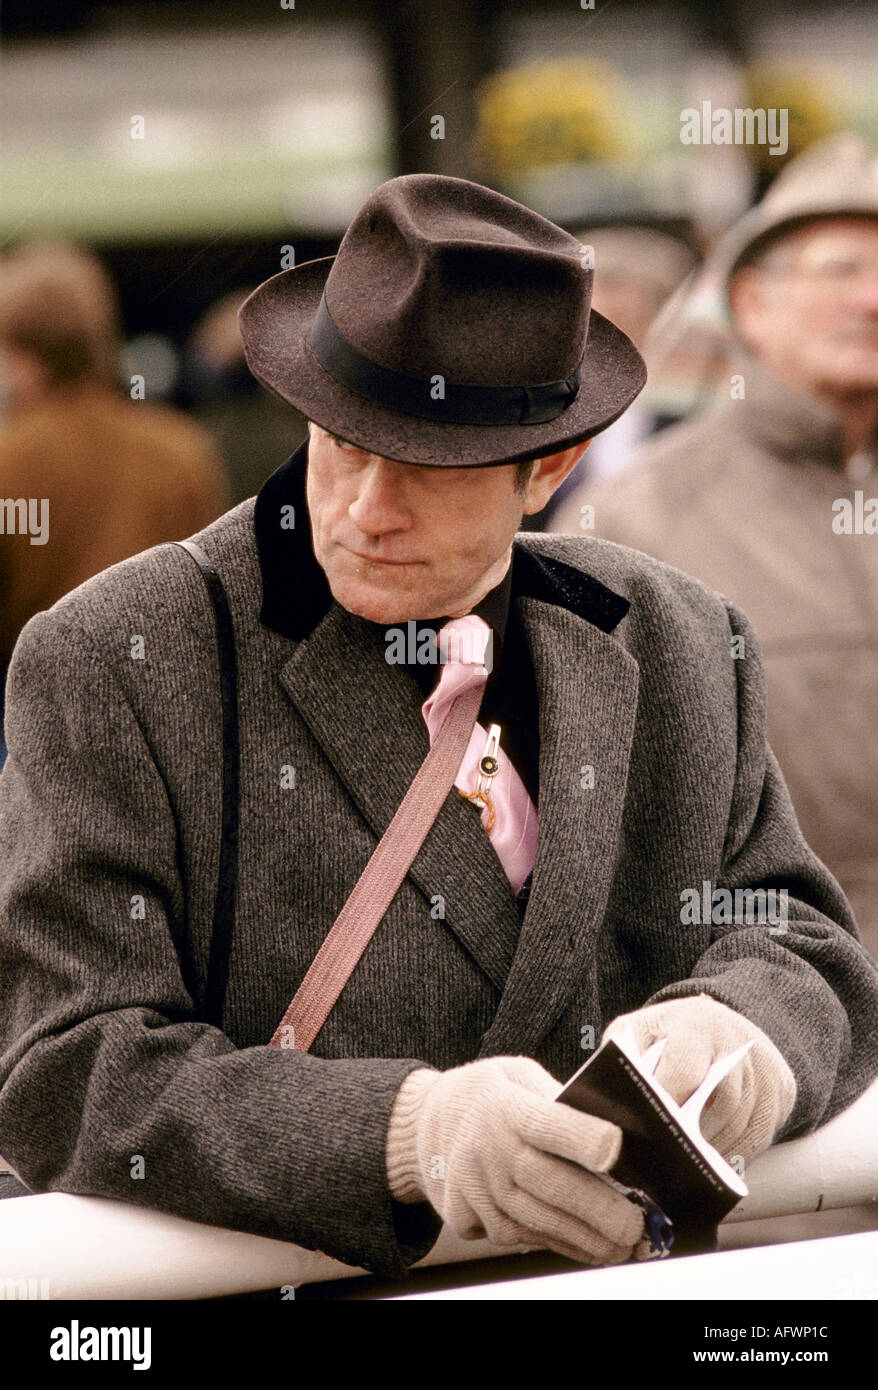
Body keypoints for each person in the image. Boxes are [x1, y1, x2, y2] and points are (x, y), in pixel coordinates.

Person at [0, 175, 876, 1282]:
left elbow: (798, 934)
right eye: (342, 443)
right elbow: (68, 1066)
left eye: (424, 465)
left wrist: (736, 1035)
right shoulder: (115, 654)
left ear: (546, 470)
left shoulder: (680, 638)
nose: (366, 507)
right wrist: (405, 1131)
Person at [551, 135, 878, 960]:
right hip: (779, 1006)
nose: (872, 299)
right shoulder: (630, 521)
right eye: (840, 269)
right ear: (752, 304)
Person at [0, 241, 231, 767]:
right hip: (169, 722)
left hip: (35, 727)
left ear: (25, 360)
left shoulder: (7, 460)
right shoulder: (182, 449)